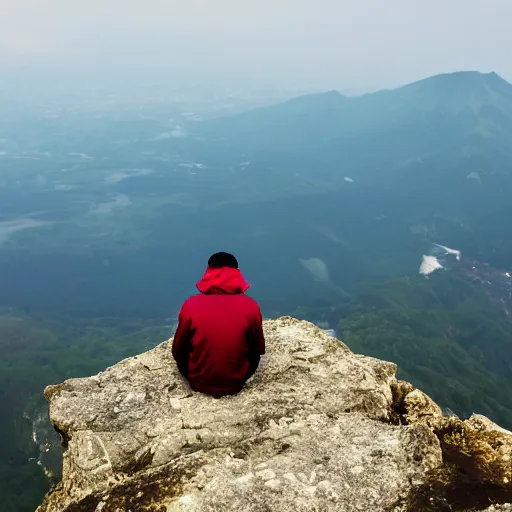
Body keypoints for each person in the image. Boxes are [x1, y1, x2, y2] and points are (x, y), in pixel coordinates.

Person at [172, 252, 265, 397]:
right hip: (237, 382)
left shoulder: (191, 305)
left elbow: (178, 350)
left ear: (209, 272)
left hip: (198, 380)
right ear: (236, 274)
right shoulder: (251, 306)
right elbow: (258, 349)